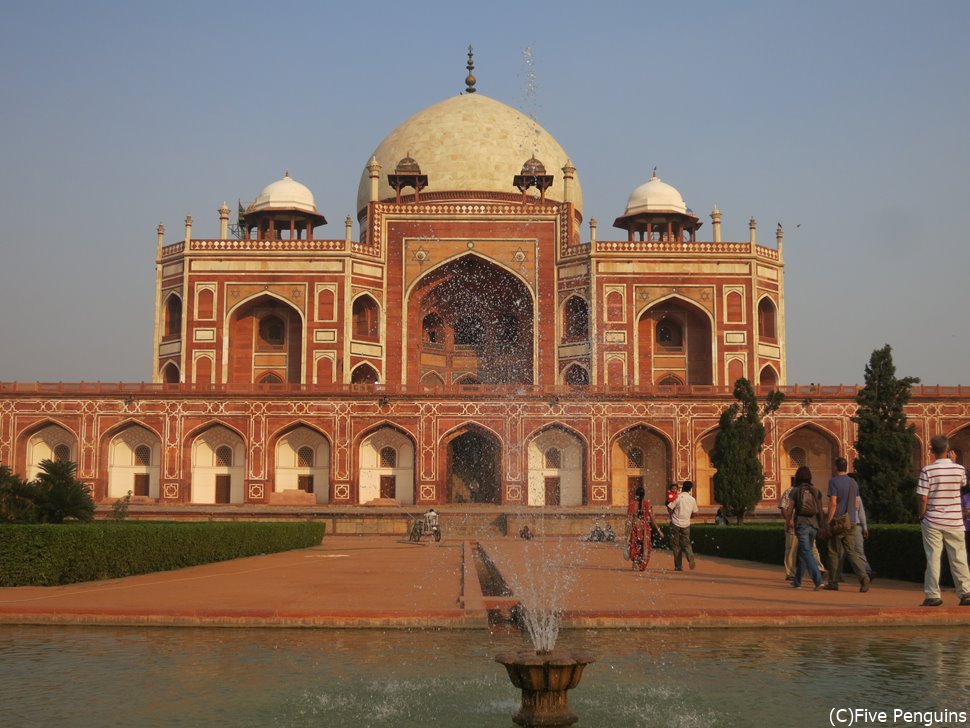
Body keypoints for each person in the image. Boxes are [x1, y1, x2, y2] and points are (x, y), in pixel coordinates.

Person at [917, 435, 970, 607]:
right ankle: (966, 593)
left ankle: (933, 595)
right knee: (959, 557)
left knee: (933, 557)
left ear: (931, 450)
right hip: (955, 521)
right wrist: (954, 463)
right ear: (948, 450)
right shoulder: (959, 469)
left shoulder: (927, 470)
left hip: (933, 520)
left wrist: (921, 514)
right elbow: (963, 483)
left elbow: (923, 497)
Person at [823, 457, 870, 592]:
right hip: (852, 522)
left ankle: (833, 582)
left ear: (836, 467)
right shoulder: (853, 482)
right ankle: (863, 577)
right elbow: (856, 503)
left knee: (834, 552)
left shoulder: (833, 482)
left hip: (838, 522)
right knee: (851, 552)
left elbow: (833, 503)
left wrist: (829, 521)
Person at [783, 465, 825, 590]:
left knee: (806, 552)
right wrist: (822, 525)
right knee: (803, 552)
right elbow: (820, 510)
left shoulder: (795, 490)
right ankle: (797, 581)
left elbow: (790, 509)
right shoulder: (816, 490)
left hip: (801, 525)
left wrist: (787, 522)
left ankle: (818, 580)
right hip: (814, 526)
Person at [626, 485, 661, 571]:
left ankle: (635, 562)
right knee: (645, 547)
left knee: (635, 545)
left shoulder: (632, 504)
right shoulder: (646, 504)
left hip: (635, 527)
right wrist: (659, 530)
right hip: (645, 528)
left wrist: (626, 533)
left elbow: (629, 519)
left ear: (636, 494)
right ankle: (641, 565)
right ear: (644, 494)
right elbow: (652, 518)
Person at [667, 480, 698, 571]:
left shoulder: (678, 497)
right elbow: (695, 513)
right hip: (686, 524)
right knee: (687, 543)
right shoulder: (692, 499)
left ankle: (678, 566)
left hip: (675, 523)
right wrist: (688, 515)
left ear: (682, 488)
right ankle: (690, 557)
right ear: (690, 489)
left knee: (676, 545)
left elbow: (669, 509)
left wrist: (671, 511)